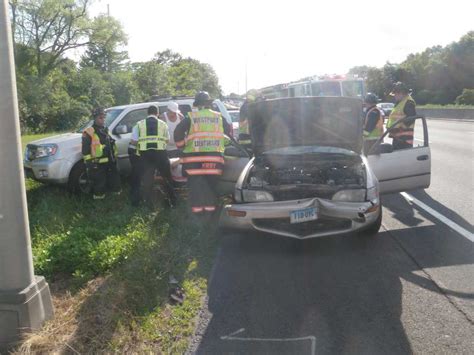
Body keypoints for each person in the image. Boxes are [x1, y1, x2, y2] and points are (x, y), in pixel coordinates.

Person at [174, 91, 232, 216]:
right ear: (209, 104)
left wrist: (181, 146)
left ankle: (198, 217)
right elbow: (229, 133)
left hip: (193, 164)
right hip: (214, 162)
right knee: (211, 189)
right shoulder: (218, 117)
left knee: (196, 190)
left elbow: (177, 133)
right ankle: (211, 216)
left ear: (197, 104)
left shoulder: (191, 117)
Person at [130, 105, 176, 208]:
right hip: (160, 154)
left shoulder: (139, 124)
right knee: (167, 178)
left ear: (148, 113)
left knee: (147, 179)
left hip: (145, 155)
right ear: (157, 113)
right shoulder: (163, 124)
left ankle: (148, 203)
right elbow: (167, 140)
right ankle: (173, 202)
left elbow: (133, 141)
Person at [82, 107, 121, 199]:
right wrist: (91, 163)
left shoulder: (105, 129)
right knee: (99, 184)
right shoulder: (89, 132)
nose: (103, 120)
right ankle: (99, 204)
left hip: (110, 162)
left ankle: (115, 199)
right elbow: (85, 151)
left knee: (114, 181)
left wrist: (113, 158)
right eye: (100, 118)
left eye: (104, 117)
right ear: (94, 118)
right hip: (97, 164)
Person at [387, 82, 417, 150]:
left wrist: (399, 129)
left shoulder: (409, 103)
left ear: (401, 93)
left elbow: (410, 119)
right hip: (398, 138)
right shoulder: (400, 103)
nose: (394, 96)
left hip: (404, 140)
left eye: (395, 94)